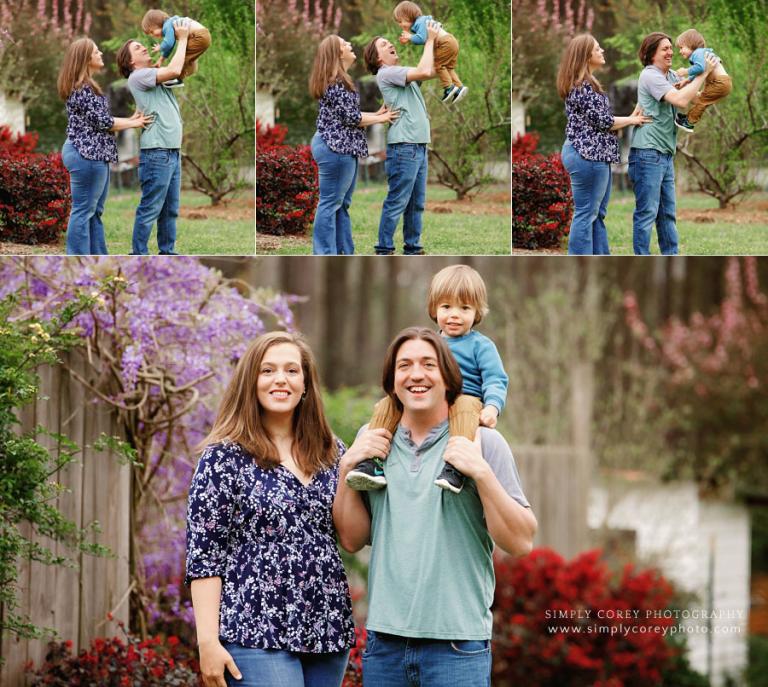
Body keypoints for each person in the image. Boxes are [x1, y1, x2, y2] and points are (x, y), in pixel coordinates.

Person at [333, 327, 536, 687]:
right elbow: (351, 539)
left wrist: (482, 474)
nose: (416, 374)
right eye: (404, 365)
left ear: (448, 377)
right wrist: (347, 468)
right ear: (392, 380)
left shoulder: (482, 441)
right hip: (384, 645)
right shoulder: (373, 441)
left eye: (429, 364)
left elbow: (520, 541)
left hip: (456, 648)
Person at [186, 331, 355, 687]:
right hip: (253, 628)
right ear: (252, 382)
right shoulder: (223, 457)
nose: (281, 379)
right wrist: (207, 642)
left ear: (306, 384)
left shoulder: (332, 452)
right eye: (268, 370)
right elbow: (204, 555)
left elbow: (351, 533)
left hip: (326, 627)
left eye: (292, 371)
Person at [346, 264, 508, 494]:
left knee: (463, 407)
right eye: (446, 306)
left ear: (477, 312)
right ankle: (372, 463)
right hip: (430, 399)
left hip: (466, 398)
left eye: (464, 308)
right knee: (386, 405)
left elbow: (495, 379)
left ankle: (455, 468)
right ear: (434, 309)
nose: (454, 315)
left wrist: (492, 407)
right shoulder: (430, 343)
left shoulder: (481, 346)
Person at [556, 34, 652, 255]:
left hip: (594, 156)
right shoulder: (583, 87)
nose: (602, 51)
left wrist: (630, 116)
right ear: (585, 55)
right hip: (586, 157)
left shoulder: (587, 84)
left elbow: (601, 121)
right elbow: (604, 122)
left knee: (596, 213)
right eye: (597, 49)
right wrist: (632, 120)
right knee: (586, 212)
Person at [57, 38, 152, 255]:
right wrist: (134, 122)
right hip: (86, 155)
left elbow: (100, 121)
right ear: (85, 59)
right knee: (83, 210)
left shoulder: (88, 87)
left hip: (94, 155)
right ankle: (77, 257)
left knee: (94, 211)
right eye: (96, 51)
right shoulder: (81, 89)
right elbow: (104, 122)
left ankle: (98, 256)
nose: (101, 54)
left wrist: (130, 119)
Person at [308, 35, 399, 255]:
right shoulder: (336, 82)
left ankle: (343, 251)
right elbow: (351, 118)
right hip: (335, 149)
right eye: (345, 44)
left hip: (340, 148)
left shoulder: (340, 79)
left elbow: (347, 116)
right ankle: (324, 253)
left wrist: (375, 114)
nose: (350, 45)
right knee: (330, 203)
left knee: (341, 204)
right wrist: (381, 119)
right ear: (338, 53)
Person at [629, 31, 717, 255]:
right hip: (648, 152)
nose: (671, 52)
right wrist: (702, 74)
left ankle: (671, 255)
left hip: (664, 154)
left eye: (671, 47)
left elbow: (692, 96)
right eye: (665, 49)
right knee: (647, 212)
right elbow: (679, 100)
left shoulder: (670, 76)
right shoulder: (650, 75)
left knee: (667, 213)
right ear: (651, 55)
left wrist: (716, 85)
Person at [363, 19, 441, 255]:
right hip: (404, 147)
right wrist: (428, 41)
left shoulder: (399, 73)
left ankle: (413, 248)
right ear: (378, 59)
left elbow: (434, 71)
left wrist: (440, 43)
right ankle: (384, 249)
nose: (390, 44)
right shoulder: (387, 73)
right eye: (384, 45)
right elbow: (425, 70)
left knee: (416, 204)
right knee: (397, 201)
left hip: (418, 146)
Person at [116, 18, 191, 256]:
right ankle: (138, 253)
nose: (144, 47)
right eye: (138, 48)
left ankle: (167, 252)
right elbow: (175, 69)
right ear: (131, 61)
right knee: (150, 207)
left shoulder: (153, 74)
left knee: (170, 209)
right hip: (157, 152)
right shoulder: (138, 77)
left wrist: (187, 47)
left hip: (171, 151)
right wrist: (183, 38)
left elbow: (183, 70)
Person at [393, 1, 467, 104]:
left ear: (408, 16)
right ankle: (459, 87)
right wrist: (410, 38)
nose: (400, 25)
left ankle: (449, 87)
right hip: (451, 42)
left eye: (401, 21)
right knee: (448, 67)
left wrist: (410, 37)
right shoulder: (422, 22)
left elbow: (422, 39)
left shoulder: (420, 22)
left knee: (438, 65)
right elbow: (424, 37)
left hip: (445, 43)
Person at [674, 28, 732, 133]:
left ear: (690, 44)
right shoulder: (700, 54)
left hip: (720, 83)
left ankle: (689, 122)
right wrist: (686, 81)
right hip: (721, 83)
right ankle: (688, 118)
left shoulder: (697, 53)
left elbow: (700, 68)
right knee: (700, 99)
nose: (680, 51)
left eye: (681, 47)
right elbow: (699, 71)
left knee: (702, 101)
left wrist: (685, 71)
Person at [141, 8, 211, 88]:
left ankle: (178, 79)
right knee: (185, 55)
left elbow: (168, 44)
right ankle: (189, 67)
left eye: (152, 31)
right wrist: (161, 59)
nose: (153, 35)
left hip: (198, 36)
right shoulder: (171, 24)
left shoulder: (167, 26)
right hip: (202, 35)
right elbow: (170, 46)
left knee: (181, 57)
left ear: (157, 23)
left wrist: (160, 47)